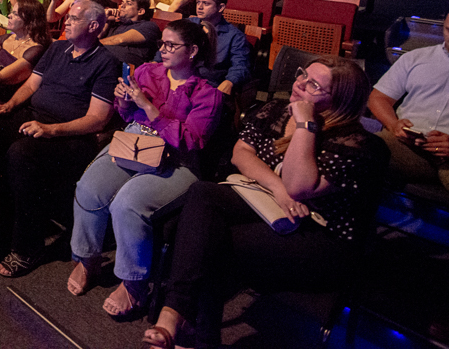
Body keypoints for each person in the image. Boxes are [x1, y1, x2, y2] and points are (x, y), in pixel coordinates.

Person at [141, 59, 388, 349]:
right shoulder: (275, 110)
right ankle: (175, 313)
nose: (299, 83)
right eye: (302, 74)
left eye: (313, 85)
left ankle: (193, 333)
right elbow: (240, 153)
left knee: (212, 240)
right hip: (270, 206)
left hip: (321, 237)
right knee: (203, 193)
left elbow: (299, 186)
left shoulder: (359, 145)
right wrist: (279, 189)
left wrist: (305, 125)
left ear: (341, 100)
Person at [68, 20, 221, 316]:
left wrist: (148, 107)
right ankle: (88, 259)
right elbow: (126, 116)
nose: (163, 50)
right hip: (135, 143)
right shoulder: (148, 71)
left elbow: (191, 141)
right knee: (89, 187)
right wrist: (124, 101)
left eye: (171, 45)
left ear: (192, 51)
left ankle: (133, 282)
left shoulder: (207, 94)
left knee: (127, 204)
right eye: (162, 43)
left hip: (177, 159)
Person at [0, 0, 119, 277]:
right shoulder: (58, 48)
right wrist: (8, 106)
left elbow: (97, 119)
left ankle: (28, 247)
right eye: (69, 17)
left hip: (72, 135)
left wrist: (51, 130)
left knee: (21, 154)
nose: (66, 22)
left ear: (93, 26)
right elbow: (31, 85)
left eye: (74, 18)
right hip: (35, 116)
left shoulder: (106, 63)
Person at [368, 12, 449, 193]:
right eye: (448, 30)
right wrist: (394, 125)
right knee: (361, 149)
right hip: (409, 146)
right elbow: (379, 98)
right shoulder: (417, 58)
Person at [100, 0, 161, 67]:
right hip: (102, 61)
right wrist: (105, 19)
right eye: (122, 2)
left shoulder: (148, 26)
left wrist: (92, 46)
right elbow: (98, 36)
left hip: (123, 68)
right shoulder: (116, 24)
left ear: (140, 11)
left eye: (129, 3)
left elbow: (120, 40)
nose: (122, 6)